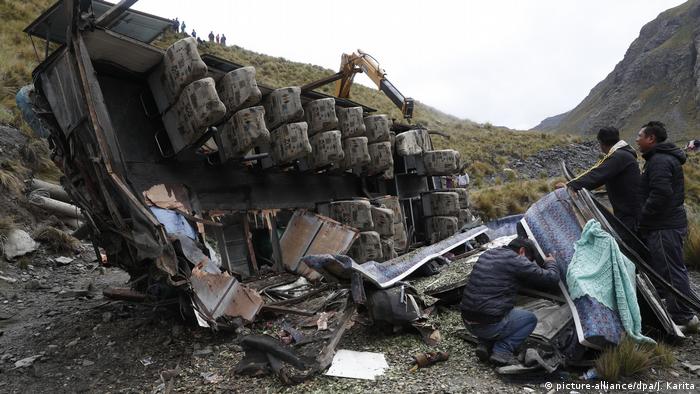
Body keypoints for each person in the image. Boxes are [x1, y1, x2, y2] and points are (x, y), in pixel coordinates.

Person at [636, 121, 699, 332]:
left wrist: (644, 217)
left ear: (651, 138)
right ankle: (681, 311)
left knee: (671, 271)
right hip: (669, 223)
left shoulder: (659, 161)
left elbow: (661, 194)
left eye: (640, 136)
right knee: (672, 268)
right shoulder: (661, 159)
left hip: (664, 226)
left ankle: (683, 317)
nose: (637, 139)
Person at [460, 237, 559, 365]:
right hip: (489, 326)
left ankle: (484, 345)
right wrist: (551, 263)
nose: (529, 264)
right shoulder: (517, 261)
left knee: (490, 304)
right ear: (522, 251)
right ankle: (502, 351)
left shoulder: (488, 254)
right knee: (529, 319)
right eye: (529, 261)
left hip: (467, 321)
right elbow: (551, 279)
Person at [564, 126, 642, 231]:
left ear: (601, 143)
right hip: (630, 211)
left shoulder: (619, 156)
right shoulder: (623, 154)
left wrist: (572, 185)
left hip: (631, 215)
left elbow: (597, 174)